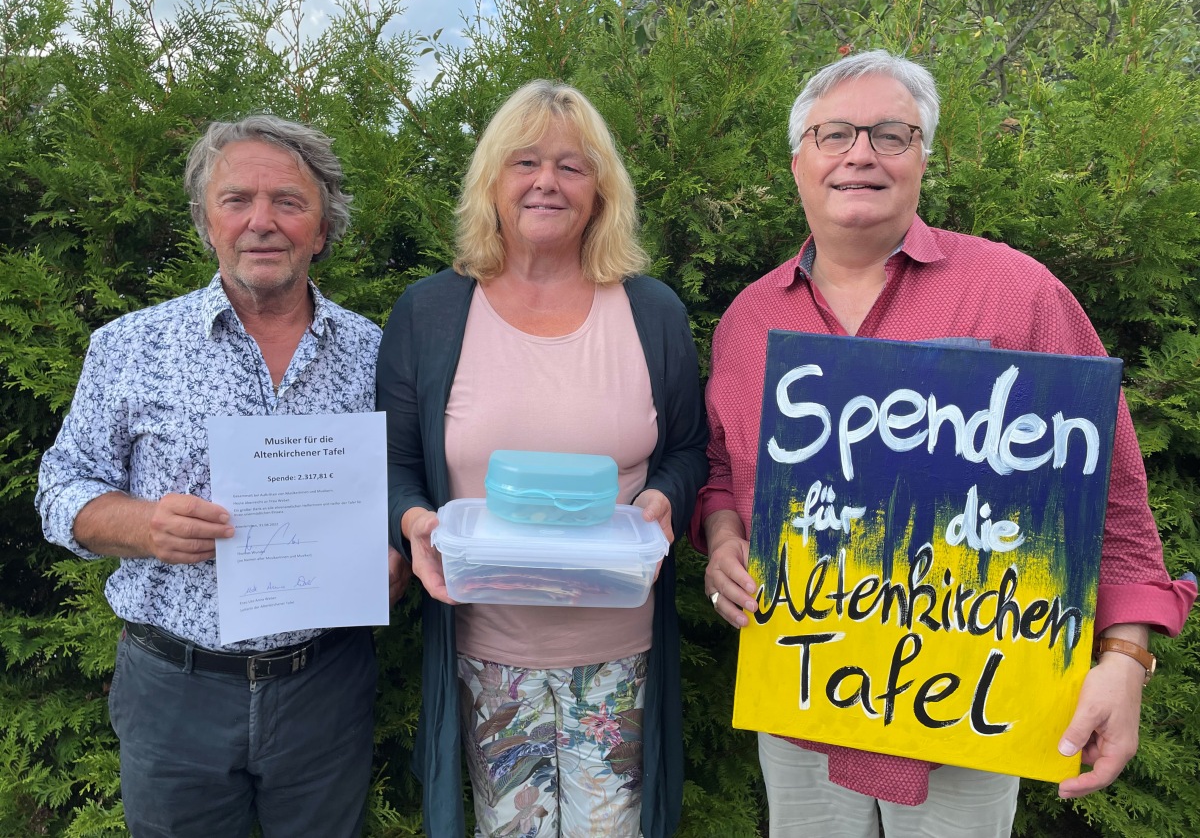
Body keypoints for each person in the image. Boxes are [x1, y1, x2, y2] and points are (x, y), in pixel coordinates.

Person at [694, 50, 1196, 837]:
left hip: (970, 718)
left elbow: (1116, 499)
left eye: (891, 134)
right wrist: (724, 535)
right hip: (799, 708)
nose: (861, 153)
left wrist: (1125, 660)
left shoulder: (1018, 295)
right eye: (834, 135)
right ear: (799, 162)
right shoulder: (748, 323)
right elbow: (725, 468)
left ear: (924, 157)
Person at [36, 114, 410, 838]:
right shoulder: (131, 346)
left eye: (289, 203)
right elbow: (60, 489)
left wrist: (394, 553)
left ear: (322, 228)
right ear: (207, 223)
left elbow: (408, 486)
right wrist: (142, 527)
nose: (261, 222)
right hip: (175, 689)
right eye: (237, 200)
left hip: (324, 685)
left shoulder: (378, 354)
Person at [377, 79, 708, 837]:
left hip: (620, 653)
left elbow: (688, 449)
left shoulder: (651, 312)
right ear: (492, 181)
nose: (546, 182)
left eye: (572, 165)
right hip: (489, 653)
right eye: (524, 161)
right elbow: (393, 462)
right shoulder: (430, 313)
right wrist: (413, 520)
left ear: (601, 191)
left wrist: (665, 499)